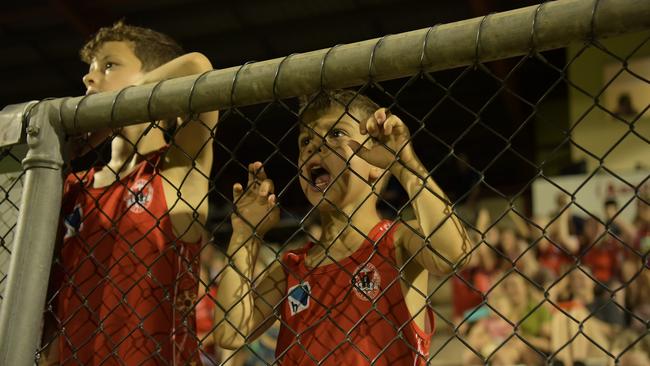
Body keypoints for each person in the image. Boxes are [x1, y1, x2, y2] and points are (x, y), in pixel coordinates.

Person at [214, 90, 470, 365]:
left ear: (376, 164)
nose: (315, 146)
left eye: (335, 134)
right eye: (305, 141)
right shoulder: (292, 268)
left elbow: (453, 254)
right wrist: (244, 234)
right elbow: (230, 333)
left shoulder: (397, 242)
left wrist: (404, 165)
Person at [40, 21, 217, 365]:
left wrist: (127, 101)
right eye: (90, 70)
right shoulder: (76, 185)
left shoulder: (176, 168)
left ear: (153, 76)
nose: (89, 79)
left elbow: (197, 66)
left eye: (109, 65)